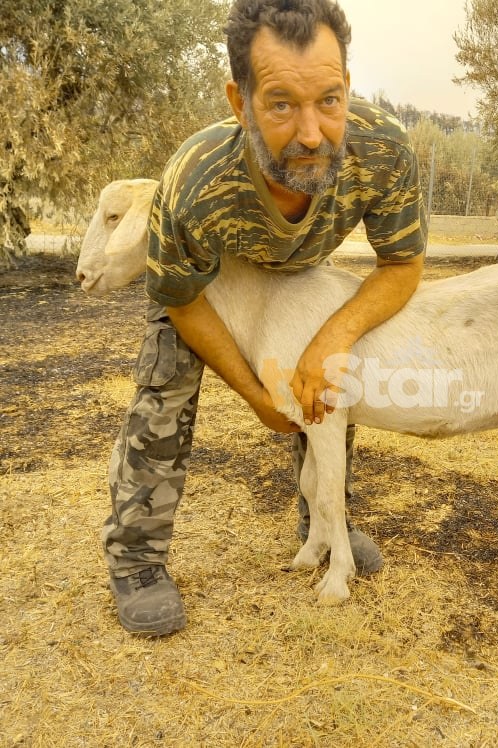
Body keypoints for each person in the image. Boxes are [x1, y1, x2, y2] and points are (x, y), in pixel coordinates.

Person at [104, 0, 426, 636]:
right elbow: (181, 298)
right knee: (164, 390)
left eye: (329, 100)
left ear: (347, 88)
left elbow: (402, 265)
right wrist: (255, 395)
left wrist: (331, 336)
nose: (312, 132)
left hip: (304, 282)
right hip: (210, 286)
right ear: (239, 100)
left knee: (329, 384)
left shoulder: (383, 148)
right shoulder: (194, 181)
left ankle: (323, 522)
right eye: (281, 104)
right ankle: (137, 559)